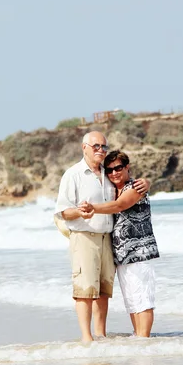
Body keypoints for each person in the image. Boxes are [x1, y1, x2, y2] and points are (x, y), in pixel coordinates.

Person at [54, 132, 148, 342]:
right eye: (96, 146)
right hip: (84, 237)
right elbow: (63, 212)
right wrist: (79, 212)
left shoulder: (108, 173)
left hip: (108, 237)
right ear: (84, 147)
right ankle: (87, 339)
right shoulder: (73, 174)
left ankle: (100, 335)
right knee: (85, 289)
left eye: (104, 147)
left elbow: (125, 191)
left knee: (104, 290)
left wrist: (146, 183)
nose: (101, 150)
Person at [80, 150, 159, 338]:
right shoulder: (113, 190)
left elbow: (120, 206)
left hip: (139, 252)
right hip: (122, 255)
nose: (114, 173)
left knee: (143, 300)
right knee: (132, 301)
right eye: (109, 170)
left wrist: (93, 208)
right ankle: (138, 336)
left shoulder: (136, 187)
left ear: (127, 167)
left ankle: (144, 339)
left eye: (118, 168)